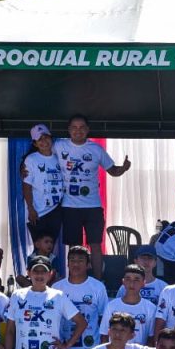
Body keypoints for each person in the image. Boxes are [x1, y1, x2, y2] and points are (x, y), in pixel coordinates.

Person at [54, 114, 131, 278]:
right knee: (74, 247)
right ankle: (73, 279)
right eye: (74, 127)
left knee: (95, 245)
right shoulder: (58, 145)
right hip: (69, 206)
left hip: (93, 206)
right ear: (69, 130)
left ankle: (97, 280)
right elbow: (42, 156)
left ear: (87, 130)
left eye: (82, 127)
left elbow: (113, 171)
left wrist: (123, 168)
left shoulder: (96, 149)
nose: (78, 131)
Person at [22, 124, 65, 244]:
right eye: (39, 139)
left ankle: (48, 264)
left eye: (46, 137)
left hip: (56, 210)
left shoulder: (60, 156)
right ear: (35, 144)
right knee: (39, 248)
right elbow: (26, 186)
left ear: (51, 138)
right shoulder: (31, 159)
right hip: (37, 212)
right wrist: (30, 209)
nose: (44, 141)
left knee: (50, 247)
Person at [101, 264, 157, 347]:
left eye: (136, 279)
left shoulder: (150, 308)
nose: (132, 283)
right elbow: (104, 335)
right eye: (128, 279)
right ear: (123, 282)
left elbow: (151, 338)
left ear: (143, 283)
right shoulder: (111, 306)